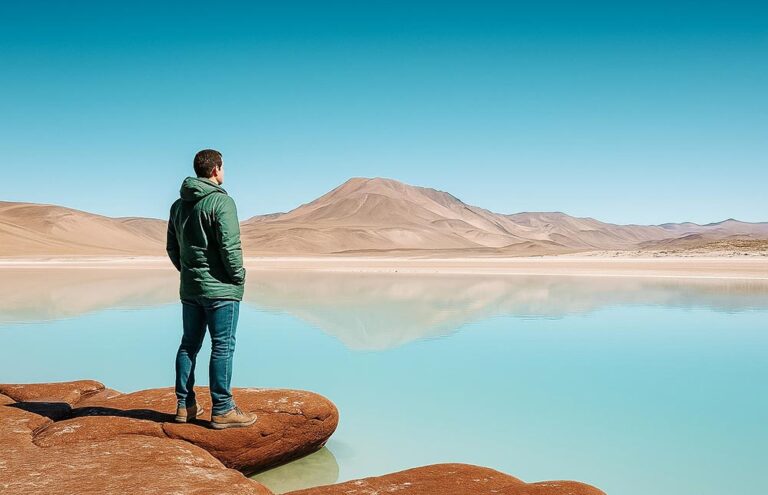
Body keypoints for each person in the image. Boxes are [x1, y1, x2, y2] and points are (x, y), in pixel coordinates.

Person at [166, 149, 256, 429]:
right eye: (223, 167)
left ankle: (185, 405)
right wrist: (238, 277)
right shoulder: (222, 202)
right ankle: (223, 408)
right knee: (223, 346)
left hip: (191, 290)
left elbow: (172, 248)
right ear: (216, 170)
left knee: (188, 345)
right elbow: (230, 247)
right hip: (221, 291)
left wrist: (191, 274)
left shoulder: (178, 205)